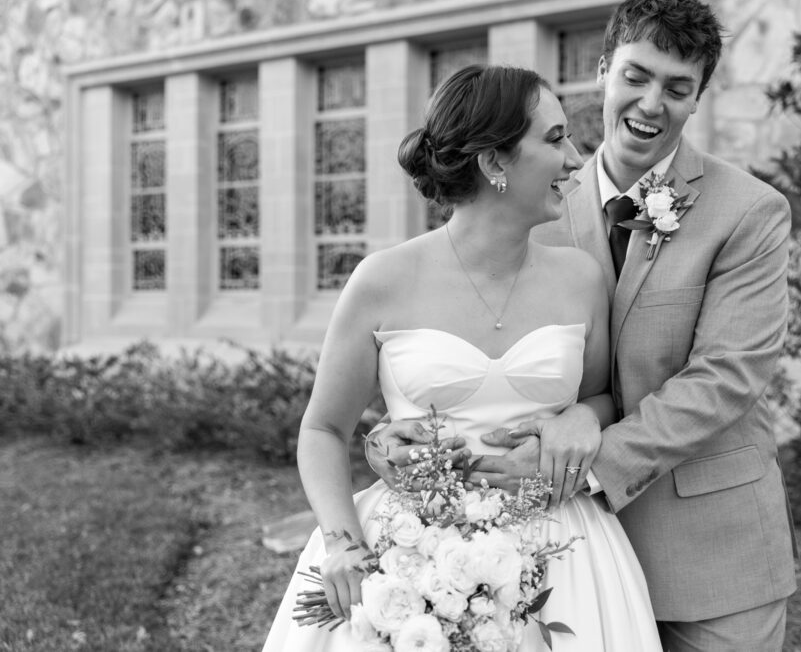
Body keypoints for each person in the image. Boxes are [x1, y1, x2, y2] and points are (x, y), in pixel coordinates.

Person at [368, 0, 797, 652]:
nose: (652, 103)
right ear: (602, 70)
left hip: (712, 550)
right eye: (636, 76)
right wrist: (391, 440)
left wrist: (586, 434)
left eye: (678, 88)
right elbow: (460, 333)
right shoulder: (530, 202)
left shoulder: (749, 213)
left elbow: (727, 375)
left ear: (697, 98)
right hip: (555, 561)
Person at [261, 64, 662, 651]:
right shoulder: (382, 280)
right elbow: (322, 428)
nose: (577, 159)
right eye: (554, 139)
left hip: (564, 552)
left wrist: (582, 419)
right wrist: (343, 542)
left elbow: (602, 398)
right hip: (409, 554)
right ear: (494, 162)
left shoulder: (581, 278)